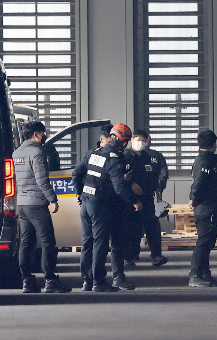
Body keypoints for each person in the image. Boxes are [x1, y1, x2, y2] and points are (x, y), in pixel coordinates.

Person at [73, 123, 142, 292]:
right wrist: (134, 201)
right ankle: (99, 282)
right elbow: (119, 187)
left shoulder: (93, 153)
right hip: (101, 206)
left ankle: (87, 281)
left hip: (86, 203)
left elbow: (76, 173)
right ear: (124, 143)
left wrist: (78, 193)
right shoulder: (114, 159)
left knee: (87, 242)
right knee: (100, 243)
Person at [13, 121, 71, 294]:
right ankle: (50, 280)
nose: (44, 136)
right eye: (43, 133)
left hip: (22, 203)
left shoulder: (17, 153)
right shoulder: (37, 153)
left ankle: (27, 281)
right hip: (37, 203)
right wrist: (52, 199)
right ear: (37, 134)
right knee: (48, 242)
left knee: (26, 242)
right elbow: (42, 179)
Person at [124, 130, 168, 267]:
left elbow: (153, 176)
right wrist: (131, 185)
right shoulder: (126, 156)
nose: (140, 143)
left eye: (143, 140)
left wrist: (157, 190)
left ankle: (156, 255)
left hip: (148, 197)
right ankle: (129, 257)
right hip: (131, 199)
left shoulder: (147, 157)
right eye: (138, 139)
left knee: (152, 226)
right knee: (132, 228)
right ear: (132, 140)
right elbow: (119, 176)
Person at [188, 130, 217, 287]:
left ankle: (204, 273)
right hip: (206, 207)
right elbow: (199, 183)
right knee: (203, 241)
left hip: (208, 206)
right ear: (214, 143)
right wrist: (194, 199)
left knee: (208, 240)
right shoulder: (205, 162)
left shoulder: (204, 159)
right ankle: (195, 274)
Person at [145, 135, 169, 201]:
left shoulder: (133, 155)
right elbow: (164, 174)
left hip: (138, 190)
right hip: (154, 190)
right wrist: (159, 188)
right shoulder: (157, 155)